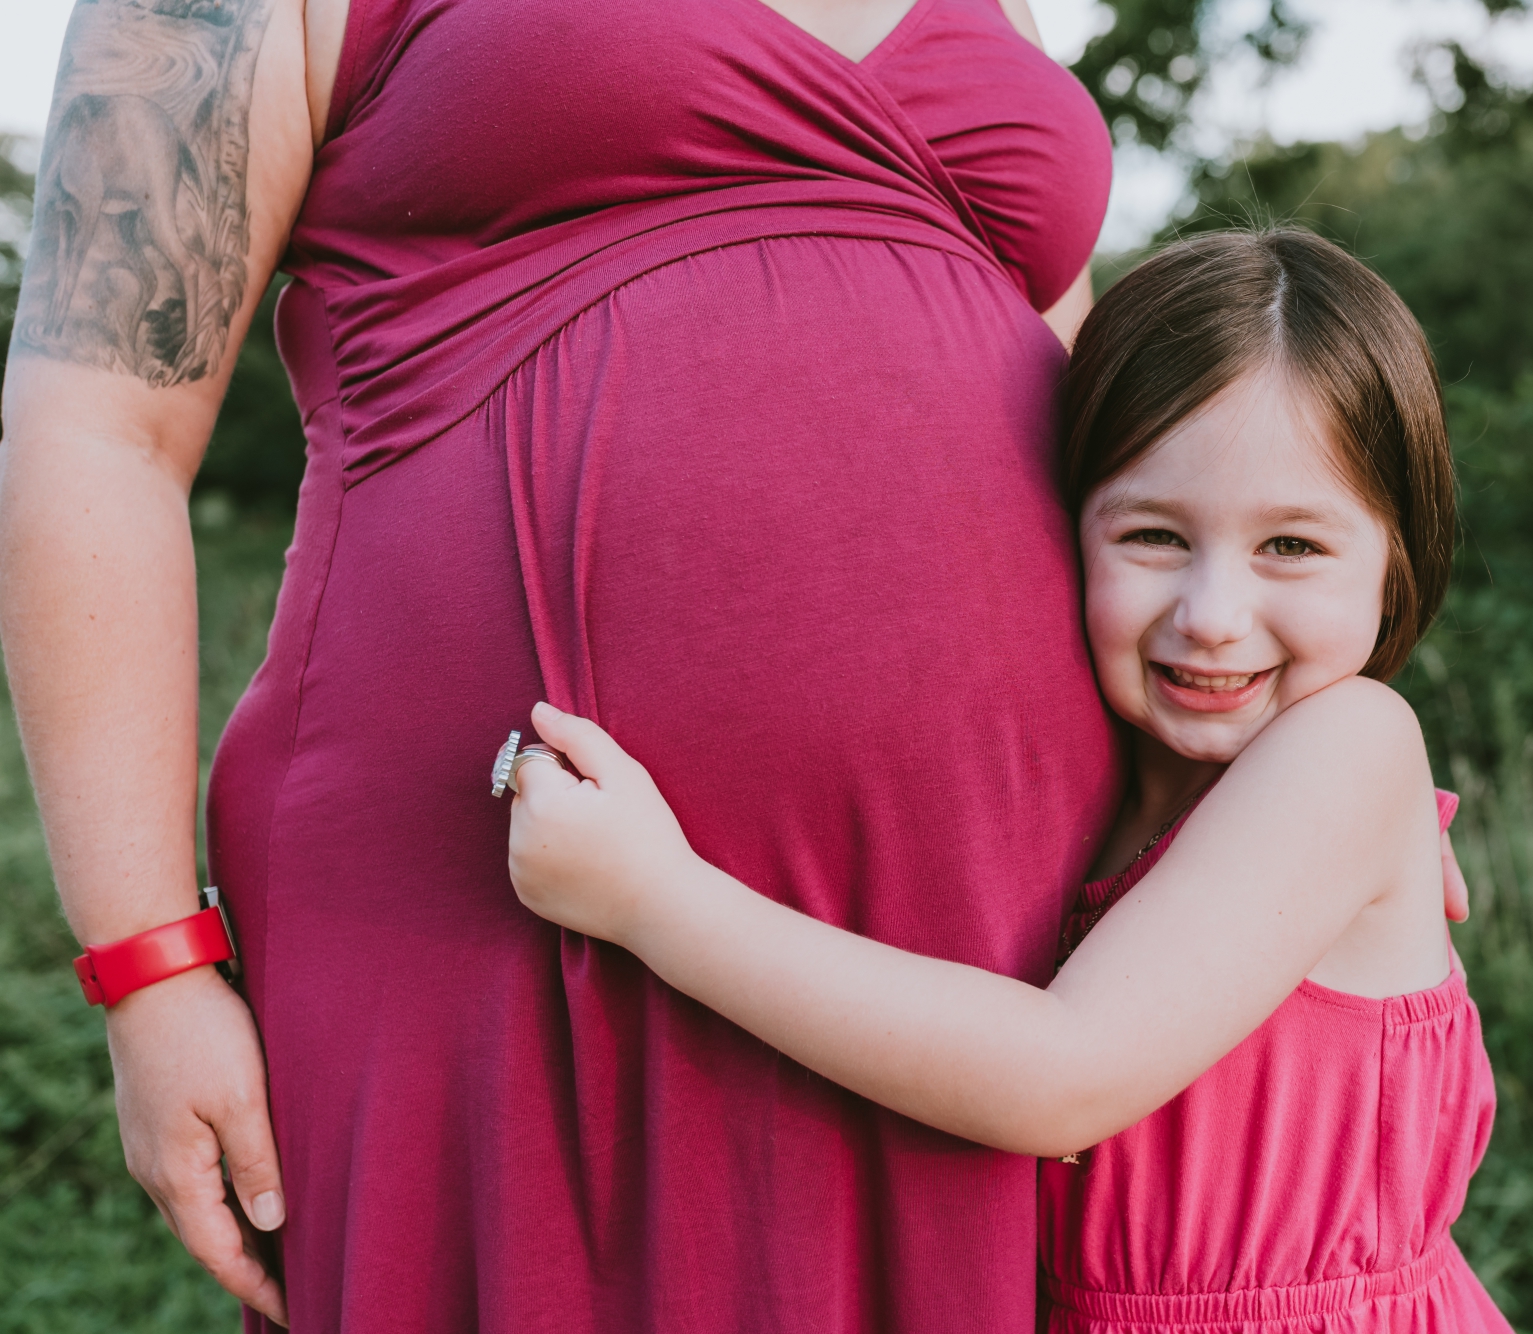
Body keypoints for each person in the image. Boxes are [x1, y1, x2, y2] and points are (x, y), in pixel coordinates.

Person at [2, 0, 1125, 1328]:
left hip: (982, 929)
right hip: (486, 907)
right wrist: (151, 966)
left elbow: (1119, 457)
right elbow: (98, 422)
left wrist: (1301, 769)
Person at [505, 229, 1513, 1331]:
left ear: (1395, 561)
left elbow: (1063, 1076)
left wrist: (655, 899)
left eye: (1290, 547)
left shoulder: (1351, 743)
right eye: (1152, 535)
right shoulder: (1097, 766)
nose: (1212, 614)